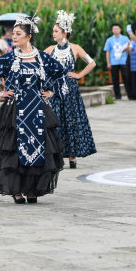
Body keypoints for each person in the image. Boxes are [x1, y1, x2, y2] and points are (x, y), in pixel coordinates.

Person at [0, 13, 68, 204]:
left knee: (40, 148)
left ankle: (32, 189)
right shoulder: (9, 58)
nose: (14, 36)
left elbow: (62, 73)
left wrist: (52, 92)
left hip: (38, 110)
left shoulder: (43, 58)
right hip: (15, 111)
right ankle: (17, 190)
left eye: (18, 33)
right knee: (13, 150)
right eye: (13, 33)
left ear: (29, 36)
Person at [44, 10, 97, 169]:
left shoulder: (75, 48)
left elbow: (92, 63)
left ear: (64, 33)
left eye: (56, 31)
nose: (53, 34)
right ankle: (57, 156)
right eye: (53, 31)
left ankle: (72, 156)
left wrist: (79, 75)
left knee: (71, 121)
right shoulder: (49, 49)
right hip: (54, 90)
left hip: (71, 90)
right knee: (56, 122)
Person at [104, 24, 130, 100]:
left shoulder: (125, 38)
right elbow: (107, 52)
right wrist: (108, 63)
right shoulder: (109, 40)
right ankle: (117, 96)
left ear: (120, 29)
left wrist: (127, 49)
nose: (115, 30)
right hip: (113, 62)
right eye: (114, 29)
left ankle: (129, 94)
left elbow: (129, 49)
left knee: (126, 78)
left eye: (117, 29)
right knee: (115, 80)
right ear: (112, 30)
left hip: (124, 62)